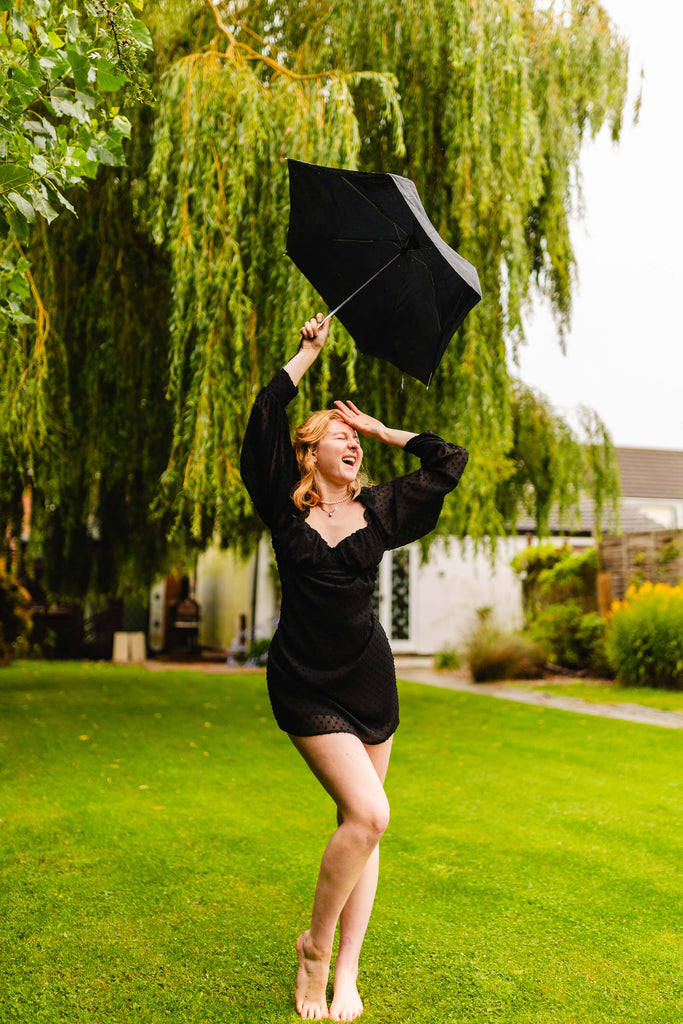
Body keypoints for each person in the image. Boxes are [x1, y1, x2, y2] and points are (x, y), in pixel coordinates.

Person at [240, 313, 469, 1021]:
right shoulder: (283, 507)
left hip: (370, 680)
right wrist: (306, 354)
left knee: (361, 825)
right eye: (337, 436)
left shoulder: (379, 511)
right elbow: (263, 412)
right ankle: (313, 948)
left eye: (353, 440)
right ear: (307, 454)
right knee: (370, 813)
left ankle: (346, 972)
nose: (349, 445)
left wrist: (380, 430)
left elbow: (447, 461)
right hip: (306, 682)